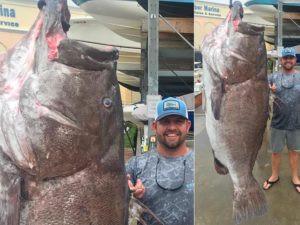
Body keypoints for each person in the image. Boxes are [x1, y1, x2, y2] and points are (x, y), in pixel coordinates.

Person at [126, 97, 194, 225]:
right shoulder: (135, 165)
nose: (172, 127)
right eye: (165, 122)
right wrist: (127, 195)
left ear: (187, 126)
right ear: (155, 126)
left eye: (178, 122)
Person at [263, 47, 300, 193]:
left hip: (296, 123)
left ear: (295, 60)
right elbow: (259, 86)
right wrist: (267, 89)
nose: (288, 60)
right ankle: (274, 175)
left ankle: (295, 177)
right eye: (285, 58)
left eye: (291, 58)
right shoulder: (273, 77)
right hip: (277, 123)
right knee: (275, 152)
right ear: (281, 60)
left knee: (294, 152)